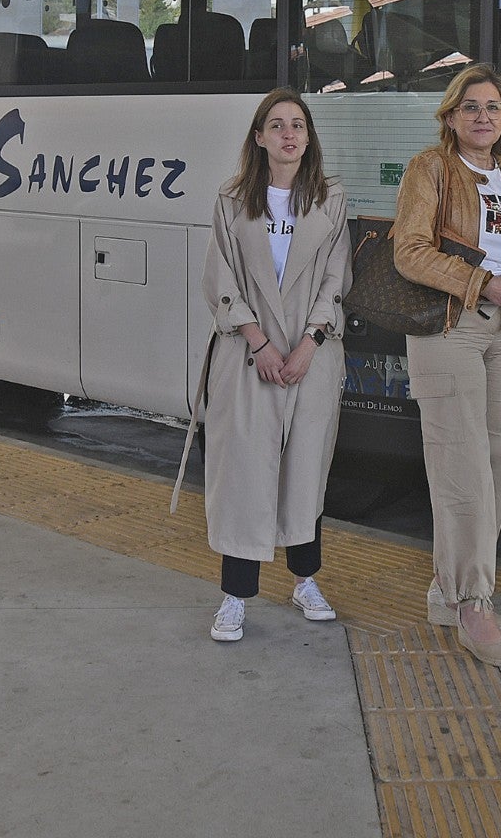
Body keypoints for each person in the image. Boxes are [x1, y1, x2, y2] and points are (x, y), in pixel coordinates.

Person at [393, 63, 501, 668]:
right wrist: (483, 283)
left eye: (494, 107)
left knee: (498, 463)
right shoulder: (430, 168)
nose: (483, 116)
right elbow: (409, 251)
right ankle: (474, 604)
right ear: (451, 116)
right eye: (471, 107)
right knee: (462, 468)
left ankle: (447, 591)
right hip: (451, 327)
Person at [199, 89, 351, 643]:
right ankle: (235, 596)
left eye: (299, 125)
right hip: (249, 356)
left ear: (308, 139)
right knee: (243, 475)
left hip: (312, 355)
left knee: (306, 470)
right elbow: (220, 278)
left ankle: (305, 580)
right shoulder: (232, 199)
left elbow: (336, 279)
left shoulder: (330, 199)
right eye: (278, 125)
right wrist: (258, 341)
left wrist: (310, 342)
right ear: (259, 137)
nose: (290, 134)